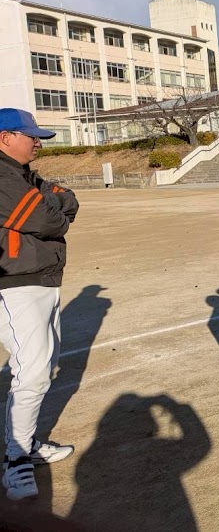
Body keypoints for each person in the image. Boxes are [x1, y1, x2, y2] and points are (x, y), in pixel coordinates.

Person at [0, 109, 79, 500]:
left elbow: (69, 200)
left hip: (41, 278)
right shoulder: (3, 177)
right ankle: (15, 459)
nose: (38, 142)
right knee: (31, 372)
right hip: (15, 283)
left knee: (42, 368)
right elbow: (51, 221)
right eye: (30, 136)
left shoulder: (24, 176)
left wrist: (49, 202)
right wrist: (51, 206)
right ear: (5, 137)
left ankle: (25, 443)